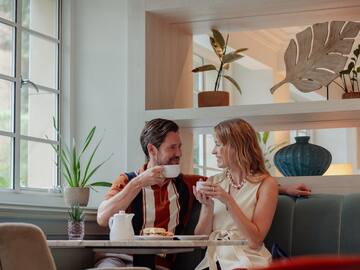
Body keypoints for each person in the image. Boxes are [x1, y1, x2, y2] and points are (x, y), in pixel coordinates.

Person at [96, 118, 199, 269]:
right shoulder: (127, 181)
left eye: (179, 147)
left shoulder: (185, 185)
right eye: (172, 147)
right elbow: (102, 218)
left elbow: (225, 180)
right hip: (117, 259)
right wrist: (138, 183)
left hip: (158, 265)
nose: (179, 153)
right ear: (152, 150)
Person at [193, 118, 278, 270]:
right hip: (215, 261)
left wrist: (228, 200)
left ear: (236, 146)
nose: (213, 151)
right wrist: (207, 206)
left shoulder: (266, 185)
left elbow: (254, 241)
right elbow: (201, 242)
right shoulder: (214, 181)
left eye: (218, 144)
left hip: (249, 260)